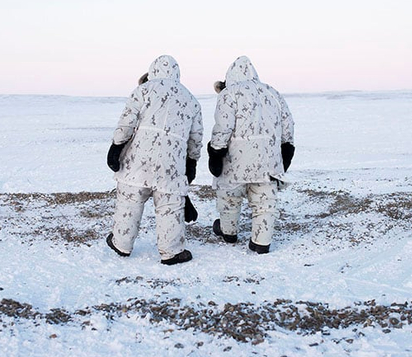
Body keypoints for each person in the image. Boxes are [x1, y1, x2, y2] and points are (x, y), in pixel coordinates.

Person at [106, 55, 203, 265]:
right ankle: (172, 252)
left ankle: (121, 244)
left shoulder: (143, 89)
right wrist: (192, 162)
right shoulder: (191, 100)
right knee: (170, 206)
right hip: (172, 164)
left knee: (129, 201)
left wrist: (116, 147)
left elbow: (127, 121)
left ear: (152, 71)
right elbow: (195, 138)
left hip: (137, 160)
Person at [208, 55, 295, 254]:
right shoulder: (273, 93)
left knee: (229, 196)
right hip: (268, 159)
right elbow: (288, 126)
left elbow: (223, 126)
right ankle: (261, 242)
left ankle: (229, 232)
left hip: (236, 159)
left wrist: (216, 151)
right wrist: (286, 149)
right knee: (264, 202)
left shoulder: (229, 93)